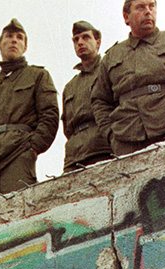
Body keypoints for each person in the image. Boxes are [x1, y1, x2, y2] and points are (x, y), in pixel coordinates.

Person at [91, 0, 165, 156]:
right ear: (126, 17)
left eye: (151, 6)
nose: (148, 11)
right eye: (140, 7)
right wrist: (111, 135)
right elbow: (99, 100)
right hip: (128, 139)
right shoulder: (112, 56)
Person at [0, 19, 59, 199]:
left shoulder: (38, 76)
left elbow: (50, 115)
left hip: (18, 153)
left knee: (17, 216)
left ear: (25, 46)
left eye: (19, 38)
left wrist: (32, 148)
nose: (14, 40)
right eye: (9, 36)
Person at [62, 21, 112, 172]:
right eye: (76, 40)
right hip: (74, 157)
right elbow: (67, 128)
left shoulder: (109, 71)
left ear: (98, 42)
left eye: (85, 37)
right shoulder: (70, 86)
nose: (80, 42)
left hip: (103, 149)